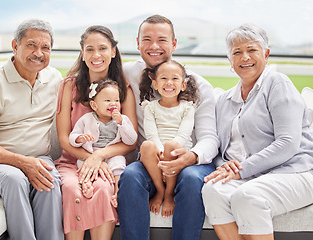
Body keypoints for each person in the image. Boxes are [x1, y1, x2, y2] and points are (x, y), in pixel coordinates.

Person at [202, 23, 313, 240]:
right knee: (213, 190)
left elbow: (288, 143)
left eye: (251, 50)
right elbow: (219, 148)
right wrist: (224, 166)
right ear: (230, 61)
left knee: (249, 195)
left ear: (266, 54)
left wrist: (240, 169)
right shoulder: (224, 100)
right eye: (237, 52)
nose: (245, 57)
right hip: (251, 175)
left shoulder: (277, 83)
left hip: (295, 171)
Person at [117, 14, 219, 240]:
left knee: (193, 180)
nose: (154, 46)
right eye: (147, 39)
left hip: (188, 160)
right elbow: (93, 74)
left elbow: (210, 138)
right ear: (137, 43)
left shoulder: (199, 86)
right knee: (131, 175)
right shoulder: (126, 74)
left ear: (174, 44)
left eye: (162, 40)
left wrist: (191, 157)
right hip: (150, 159)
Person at [0, 19, 64, 240]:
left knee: (49, 180)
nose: (38, 53)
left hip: (39, 157)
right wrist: (22, 163)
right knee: (15, 179)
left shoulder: (54, 78)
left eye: (45, 47)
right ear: (15, 45)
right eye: (31, 45)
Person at [54, 25, 137, 240]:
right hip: (73, 162)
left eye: (102, 48)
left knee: (101, 188)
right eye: (89, 49)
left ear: (113, 51)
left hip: (108, 163)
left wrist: (99, 156)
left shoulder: (123, 90)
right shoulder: (69, 86)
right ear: (82, 53)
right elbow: (64, 138)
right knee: (72, 189)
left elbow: (130, 142)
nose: (96, 55)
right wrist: (90, 158)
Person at [139, 60, 198, 218]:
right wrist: (160, 152)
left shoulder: (187, 108)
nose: (169, 83)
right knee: (146, 145)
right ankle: (160, 190)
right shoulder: (150, 108)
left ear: (183, 85)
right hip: (156, 154)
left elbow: (183, 135)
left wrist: (167, 154)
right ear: (155, 84)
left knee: (172, 144)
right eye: (164, 78)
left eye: (175, 79)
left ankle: (169, 194)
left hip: (177, 152)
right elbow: (151, 134)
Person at [69, 79, 137, 206]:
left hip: (111, 154)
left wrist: (121, 123)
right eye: (107, 101)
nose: (113, 104)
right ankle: (86, 184)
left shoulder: (123, 120)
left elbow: (131, 140)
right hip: (91, 153)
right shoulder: (86, 119)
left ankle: (117, 191)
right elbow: (72, 137)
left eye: (116, 100)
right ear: (94, 105)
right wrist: (80, 138)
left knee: (119, 163)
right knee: (83, 163)